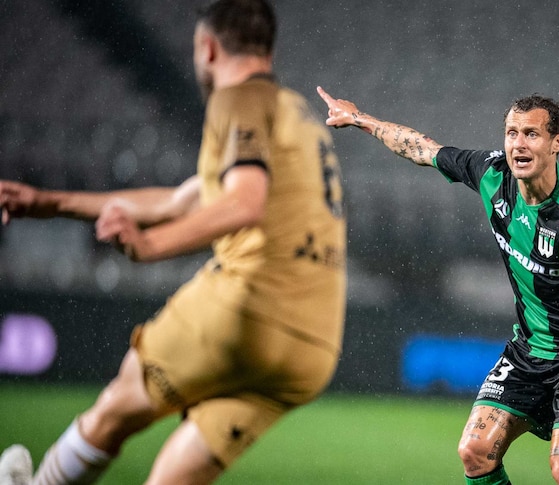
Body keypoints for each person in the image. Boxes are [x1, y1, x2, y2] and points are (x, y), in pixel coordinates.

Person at [0, 1, 346, 484]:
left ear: (207, 49)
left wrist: (149, 247)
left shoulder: (237, 100)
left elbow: (245, 204)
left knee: (116, 408)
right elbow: (180, 200)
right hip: (315, 343)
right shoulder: (296, 114)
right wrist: (50, 202)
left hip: (249, 310)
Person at [317, 87, 559, 485]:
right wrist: (361, 118)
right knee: (475, 452)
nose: (519, 143)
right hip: (529, 350)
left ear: (557, 143)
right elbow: (422, 149)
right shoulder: (491, 173)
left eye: (531, 134)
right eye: (512, 132)